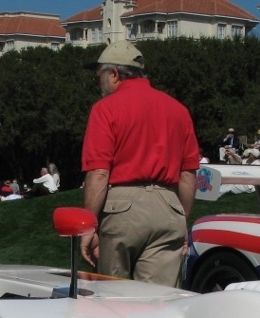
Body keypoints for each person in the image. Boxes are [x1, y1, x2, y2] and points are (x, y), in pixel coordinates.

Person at [80, 40, 200, 286]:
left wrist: (88, 225)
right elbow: (188, 174)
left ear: (114, 74)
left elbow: (99, 173)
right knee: (158, 302)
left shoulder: (105, 109)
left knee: (113, 298)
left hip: (122, 208)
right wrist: (181, 219)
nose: (98, 82)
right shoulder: (178, 110)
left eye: (99, 75)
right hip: (169, 207)